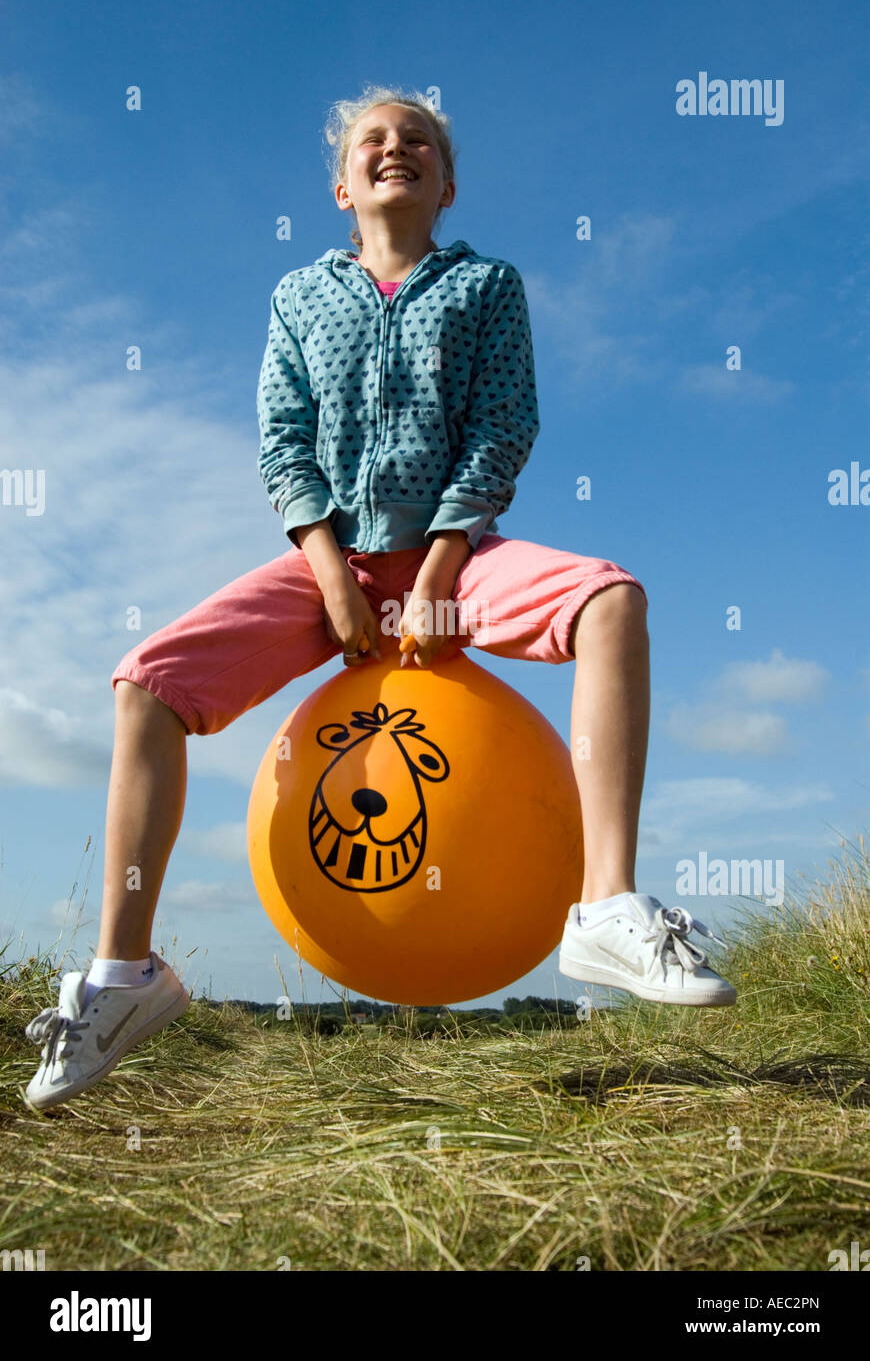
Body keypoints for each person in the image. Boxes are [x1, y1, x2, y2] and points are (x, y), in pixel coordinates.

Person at [24, 86, 735, 1111]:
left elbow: (502, 429)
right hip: (332, 568)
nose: (394, 148)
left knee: (611, 599)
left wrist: (441, 570)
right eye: (374, 139)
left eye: (418, 142)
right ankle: (123, 979)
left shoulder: (487, 284)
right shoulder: (299, 295)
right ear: (341, 182)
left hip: (457, 558)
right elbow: (283, 443)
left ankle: (606, 906)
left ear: (447, 183)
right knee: (147, 684)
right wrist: (331, 579)